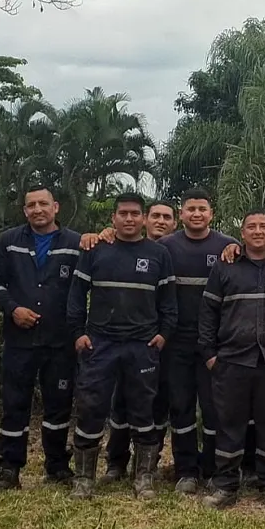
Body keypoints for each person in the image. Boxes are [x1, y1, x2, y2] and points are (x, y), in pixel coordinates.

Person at [67, 193, 176, 500]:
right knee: (91, 408)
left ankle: (143, 477)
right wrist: (78, 333)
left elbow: (169, 302)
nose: (129, 219)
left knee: (144, 409)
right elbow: (76, 296)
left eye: (135, 214)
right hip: (100, 344)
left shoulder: (158, 254)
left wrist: (163, 334)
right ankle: (84, 478)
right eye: (123, 214)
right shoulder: (95, 250)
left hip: (142, 346)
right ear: (113, 218)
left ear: (144, 219)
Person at [198, 210, 265, 510]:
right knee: (230, 425)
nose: (257, 231)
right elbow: (208, 312)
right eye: (251, 227)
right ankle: (225, 485)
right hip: (231, 361)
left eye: (263, 226)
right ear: (242, 233)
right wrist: (209, 354)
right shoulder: (226, 265)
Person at [0, 185, 84, 491]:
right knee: (15, 404)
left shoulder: (75, 243)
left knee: (59, 406)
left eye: (43, 204)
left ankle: (57, 466)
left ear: (56, 207)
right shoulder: (9, 241)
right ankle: (9, 469)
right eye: (31, 205)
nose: (37, 209)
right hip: (20, 339)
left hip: (61, 341)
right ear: (24, 210)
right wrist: (13, 309)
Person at [158, 191, 236, 493]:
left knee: (215, 409)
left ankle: (214, 469)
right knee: (181, 407)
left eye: (202, 209)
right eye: (191, 209)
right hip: (176, 341)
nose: (196, 214)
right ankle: (186, 470)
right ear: (182, 213)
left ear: (211, 213)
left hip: (214, 343)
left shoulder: (227, 247)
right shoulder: (165, 248)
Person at [103, 200, 177, 485]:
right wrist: (99, 234)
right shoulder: (118, 245)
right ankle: (116, 461)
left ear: (175, 223)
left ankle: (148, 464)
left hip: (169, 340)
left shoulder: (175, 250)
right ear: (146, 220)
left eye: (166, 217)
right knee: (120, 401)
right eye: (155, 215)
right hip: (131, 341)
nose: (160, 221)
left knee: (157, 404)